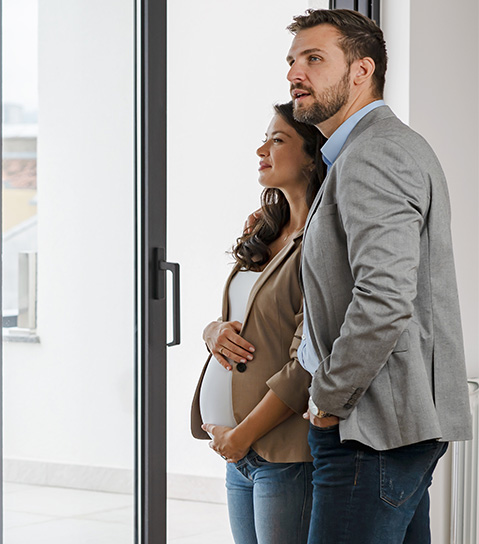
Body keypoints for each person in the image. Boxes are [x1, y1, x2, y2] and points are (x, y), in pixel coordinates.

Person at [284, 9, 473, 543]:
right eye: (293, 61)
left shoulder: (376, 153)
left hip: (369, 429)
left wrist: (329, 398)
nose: (296, 73)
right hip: (383, 426)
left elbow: (385, 297)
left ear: (362, 70)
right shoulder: (366, 151)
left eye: (314, 59)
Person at [191, 102, 326, 544]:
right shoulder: (268, 232)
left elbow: (307, 360)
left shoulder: (320, 242)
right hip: (239, 452)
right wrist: (212, 332)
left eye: (278, 139)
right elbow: (244, 317)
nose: (261, 149)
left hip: (281, 453)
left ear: (311, 154)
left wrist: (243, 435)